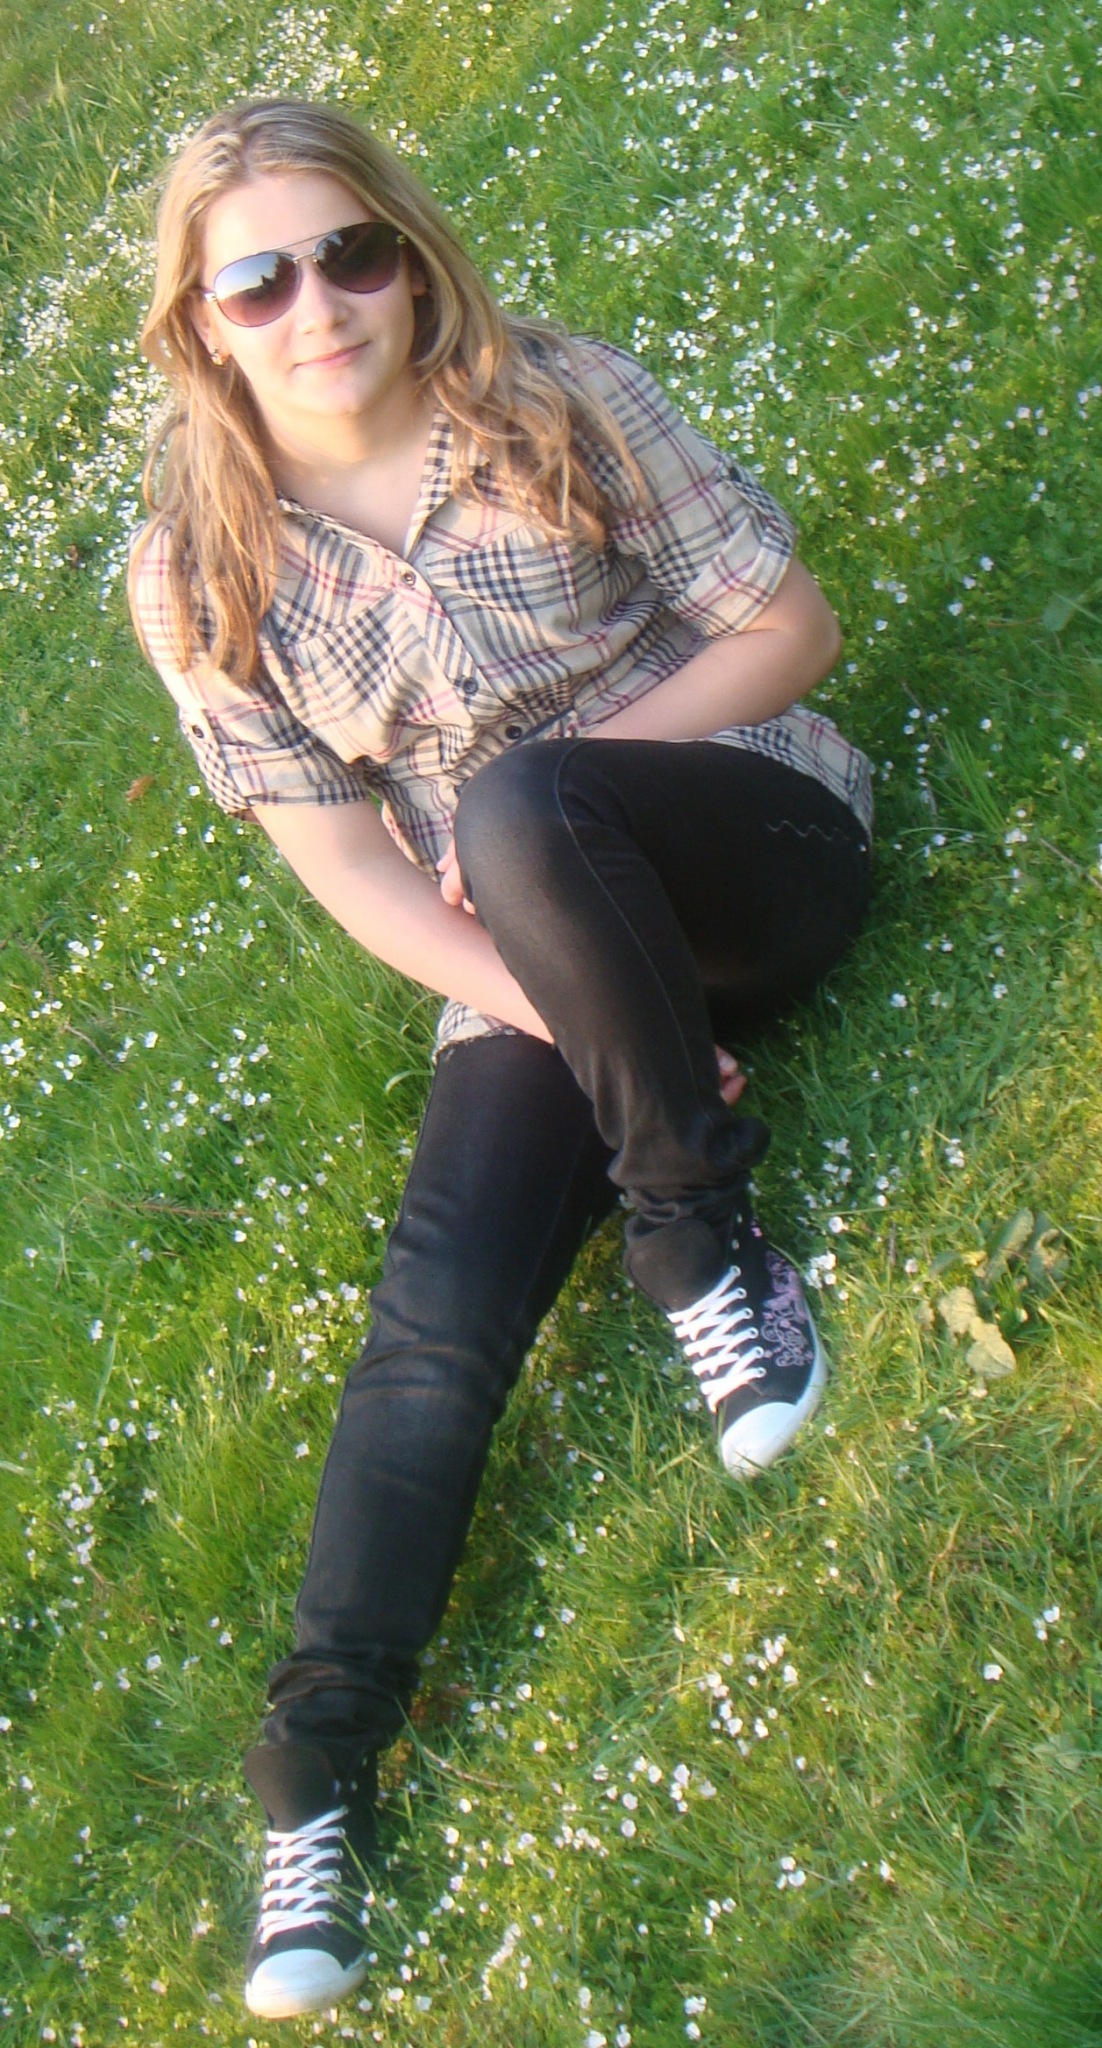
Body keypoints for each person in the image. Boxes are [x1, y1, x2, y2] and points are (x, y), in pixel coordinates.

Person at [129, 97, 873, 2021]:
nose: (316, 307)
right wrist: (579, 1007)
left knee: (527, 803)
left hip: (744, 836)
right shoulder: (200, 576)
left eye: (349, 254)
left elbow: (787, 631)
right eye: (257, 281)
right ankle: (316, 1772)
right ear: (200, 323)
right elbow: (354, 875)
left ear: (406, 249)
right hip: (522, 959)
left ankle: (695, 1242)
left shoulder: (557, 399)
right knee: (434, 1312)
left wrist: (551, 817)